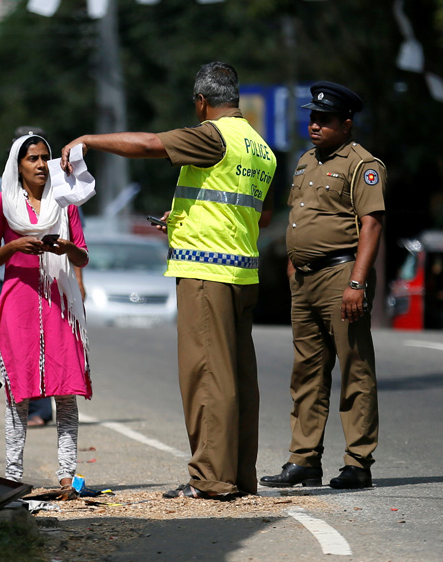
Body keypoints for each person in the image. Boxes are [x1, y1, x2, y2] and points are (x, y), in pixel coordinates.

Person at [60, 62, 276, 499]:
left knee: (206, 375)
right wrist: (183, 219)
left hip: (206, 273)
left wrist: (88, 140)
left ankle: (210, 477)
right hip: (242, 272)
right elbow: (259, 214)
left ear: (202, 102)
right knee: (238, 378)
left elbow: (148, 144)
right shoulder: (261, 148)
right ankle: (238, 475)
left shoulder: (213, 135)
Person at [260, 82, 385, 490]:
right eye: (312, 118)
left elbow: (371, 224)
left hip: (341, 276)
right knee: (306, 372)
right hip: (306, 279)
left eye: (325, 119)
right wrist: (294, 264)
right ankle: (304, 459)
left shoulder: (362, 164)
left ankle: (358, 462)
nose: (315, 125)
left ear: (346, 124)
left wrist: (357, 282)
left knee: (355, 369)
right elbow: (301, 216)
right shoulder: (304, 161)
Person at [0, 133, 91, 489]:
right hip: (18, 303)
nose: (41, 164)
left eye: (45, 157)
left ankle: (67, 477)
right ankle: (12, 478)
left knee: (66, 389)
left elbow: (82, 257)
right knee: (18, 392)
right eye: (33, 159)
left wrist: (66, 248)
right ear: (18, 166)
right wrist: (14, 246)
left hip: (60, 303)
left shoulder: (66, 202)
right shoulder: (1, 203)